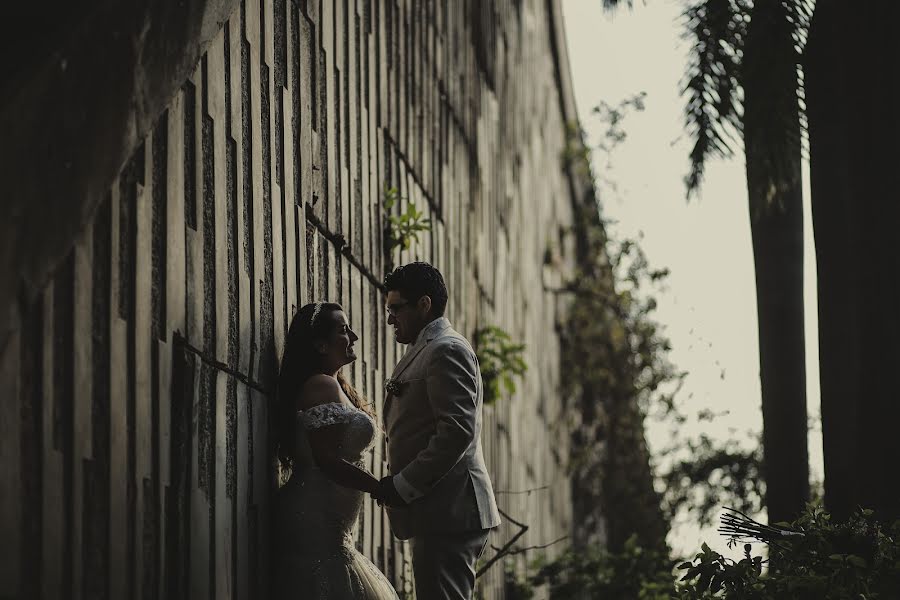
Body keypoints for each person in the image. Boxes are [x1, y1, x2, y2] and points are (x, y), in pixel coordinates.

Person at [377, 262, 501, 600]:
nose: (390, 319)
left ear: (424, 304)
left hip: (450, 512)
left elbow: (456, 432)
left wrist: (403, 486)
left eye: (395, 309)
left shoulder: (447, 349)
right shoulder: (430, 348)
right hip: (440, 510)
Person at [273, 302, 398, 600]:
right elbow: (327, 460)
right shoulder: (319, 385)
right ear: (319, 344)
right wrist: (380, 487)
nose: (353, 336)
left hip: (331, 523)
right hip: (314, 516)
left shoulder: (334, 384)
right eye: (343, 330)